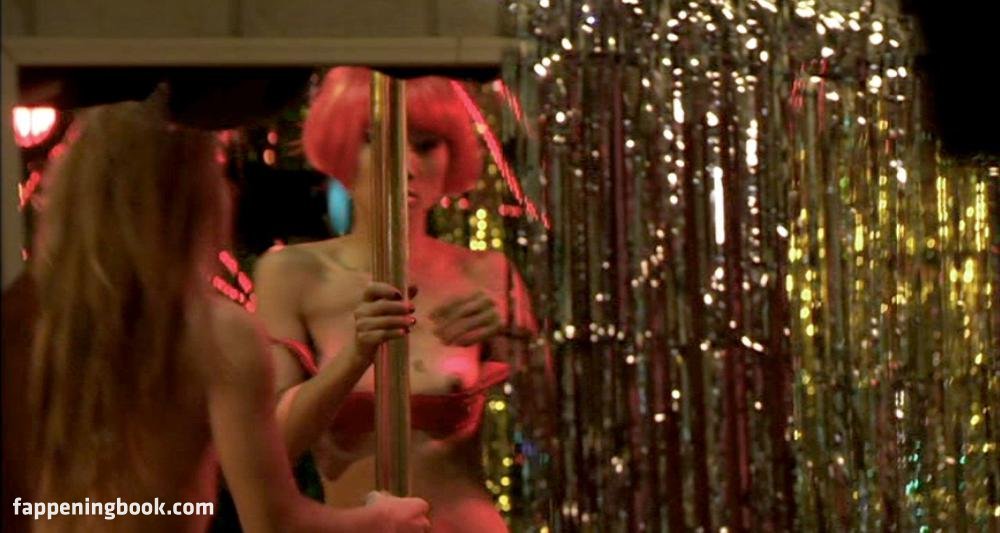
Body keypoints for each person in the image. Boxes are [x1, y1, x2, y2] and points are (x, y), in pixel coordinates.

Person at [23, 95, 430, 532]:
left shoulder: (25, 319)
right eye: (218, 171)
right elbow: (272, 522)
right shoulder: (216, 333)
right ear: (189, 193)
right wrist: (382, 519)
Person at [254, 67, 536, 533]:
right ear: (342, 147)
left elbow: (558, 436)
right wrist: (355, 356)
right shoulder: (291, 274)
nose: (405, 166)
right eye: (375, 141)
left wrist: (519, 341)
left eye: (426, 145)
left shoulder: (488, 273)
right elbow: (271, 448)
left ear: (452, 154)